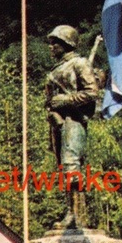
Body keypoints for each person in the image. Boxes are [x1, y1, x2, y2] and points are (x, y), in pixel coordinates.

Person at [45, 24, 100, 227]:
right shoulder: (56, 69)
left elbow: (92, 92)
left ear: (66, 43)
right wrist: (52, 111)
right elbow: (50, 100)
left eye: (55, 43)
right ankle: (71, 213)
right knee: (64, 169)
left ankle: (77, 215)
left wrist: (66, 100)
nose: (51, 47)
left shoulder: (80, 63)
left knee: (71, 167)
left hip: (74, 121)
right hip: (58, 123)